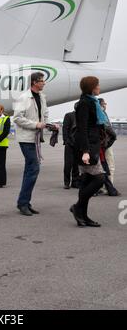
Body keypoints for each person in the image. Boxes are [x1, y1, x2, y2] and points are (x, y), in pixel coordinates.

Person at [13, 72, 55, 216]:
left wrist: (48, 124)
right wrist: (36, 125)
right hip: (26, 138)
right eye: (42, 81)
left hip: (36, 138)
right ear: (34, 82)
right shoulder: (23, 97)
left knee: (30, 169)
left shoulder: (42, 97)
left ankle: (24, 202)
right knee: (34, 168)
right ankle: (23, 203)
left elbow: (45, 113)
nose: (44, 83)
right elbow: (17, 118)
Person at [70, 76, 106, 228]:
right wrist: (85, 151)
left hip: (92, 146)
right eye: (97, 85)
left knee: (87, 181)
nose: (99, 87)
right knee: (99, 179)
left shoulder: (92, 102)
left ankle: (83, 215)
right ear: (92, 87)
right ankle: (77, 208)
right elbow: (82, 128)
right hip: (87, 148)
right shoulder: (85, 103)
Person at [98, 98, 119, 193]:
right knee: (110, 165)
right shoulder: (102, 114)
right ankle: (109, 186)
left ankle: (103, 186)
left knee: (102, 166)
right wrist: (114, 136)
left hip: (101, 144)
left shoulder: (98, 114)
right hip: (106, 144)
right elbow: (107, 127)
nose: (105, 105)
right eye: (103, 104)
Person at [62, 106, 79, 189]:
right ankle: (66, 182)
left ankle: (75, 182)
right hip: (70, 144)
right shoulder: (69, 115)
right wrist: (66, 141)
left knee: (76, 164)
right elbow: (65, 128)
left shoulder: (82, 116)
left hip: (79, 144)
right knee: (68, 164)